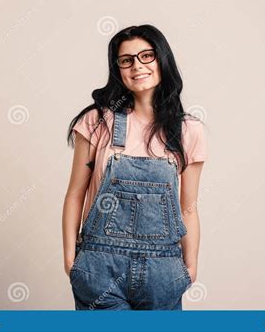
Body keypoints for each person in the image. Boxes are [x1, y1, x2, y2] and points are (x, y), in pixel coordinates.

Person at [62, 24, 206, 310]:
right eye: (126, 60)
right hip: (99, 268)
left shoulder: (189, 130)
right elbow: (75, 194)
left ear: (162, 59)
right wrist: (70, 261)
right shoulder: (96, 122)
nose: (137, 66)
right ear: (118, 69)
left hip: (163, 271)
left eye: (146, 56)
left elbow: (188, 207)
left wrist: (190, 268)